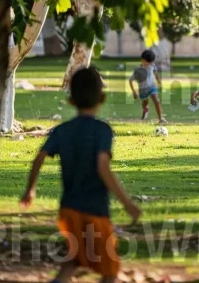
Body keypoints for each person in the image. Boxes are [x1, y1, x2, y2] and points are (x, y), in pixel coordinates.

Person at [20, 67, 142, 283]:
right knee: (110, 271)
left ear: (71, 101)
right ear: (102, 98)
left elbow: (39, 157)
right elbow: (102, 166)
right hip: (95, 211)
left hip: (68, 209)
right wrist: (127, 203)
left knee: (71, 263)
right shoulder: (103, 130)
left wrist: (30, 189)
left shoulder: (61, 130)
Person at [129, 50, 167, 124]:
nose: (150, 64)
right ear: (142, 60)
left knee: (156, 101)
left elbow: (155, 74)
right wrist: (134, 92)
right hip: (142, 90)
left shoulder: (152, 65)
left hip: (152, 87)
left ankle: (160, 119)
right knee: (145, 102)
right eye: (148, 62)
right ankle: (145, 109)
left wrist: (159, 82)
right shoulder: (138, 70)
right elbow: (130, 80)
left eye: (151, 62)